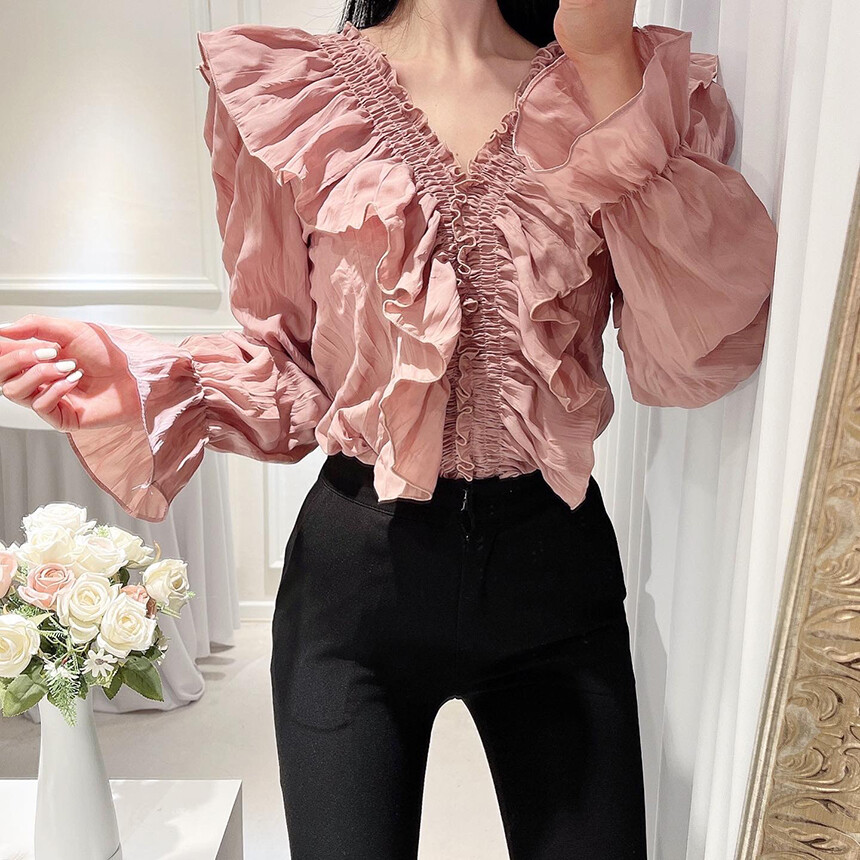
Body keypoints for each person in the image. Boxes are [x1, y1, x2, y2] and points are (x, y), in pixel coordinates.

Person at [0, 0, 777, 855]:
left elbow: (698, 348)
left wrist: (604, 64)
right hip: (355, 587)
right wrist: (145, 382)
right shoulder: (297, 94)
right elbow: (289, 365)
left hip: (555, 578)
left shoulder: (617, 85)